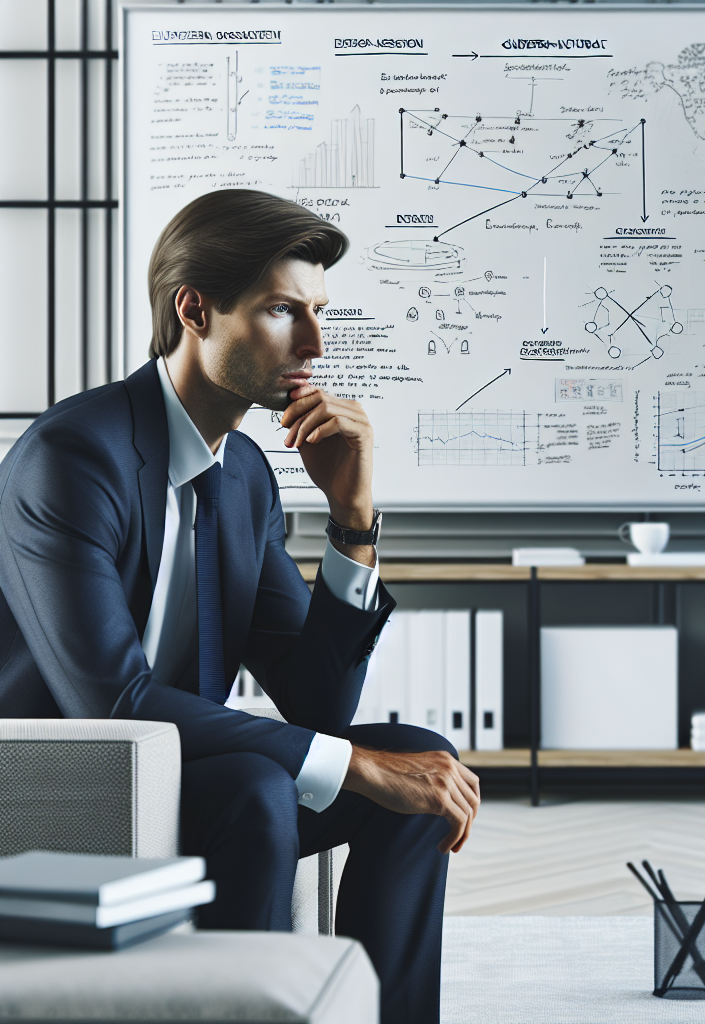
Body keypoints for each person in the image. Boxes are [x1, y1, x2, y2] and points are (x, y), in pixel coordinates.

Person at [0, 189, 480, 1024]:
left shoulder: (247, 473)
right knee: (269, 783)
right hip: (57, 784)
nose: (316, 343)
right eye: (283, 311)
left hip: (188, 773)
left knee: (422, 764)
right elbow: (113, 707)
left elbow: (319, 704)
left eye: (318, 312)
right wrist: (353, 766)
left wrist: (353, 522)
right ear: (195, 309)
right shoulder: (74, 457)